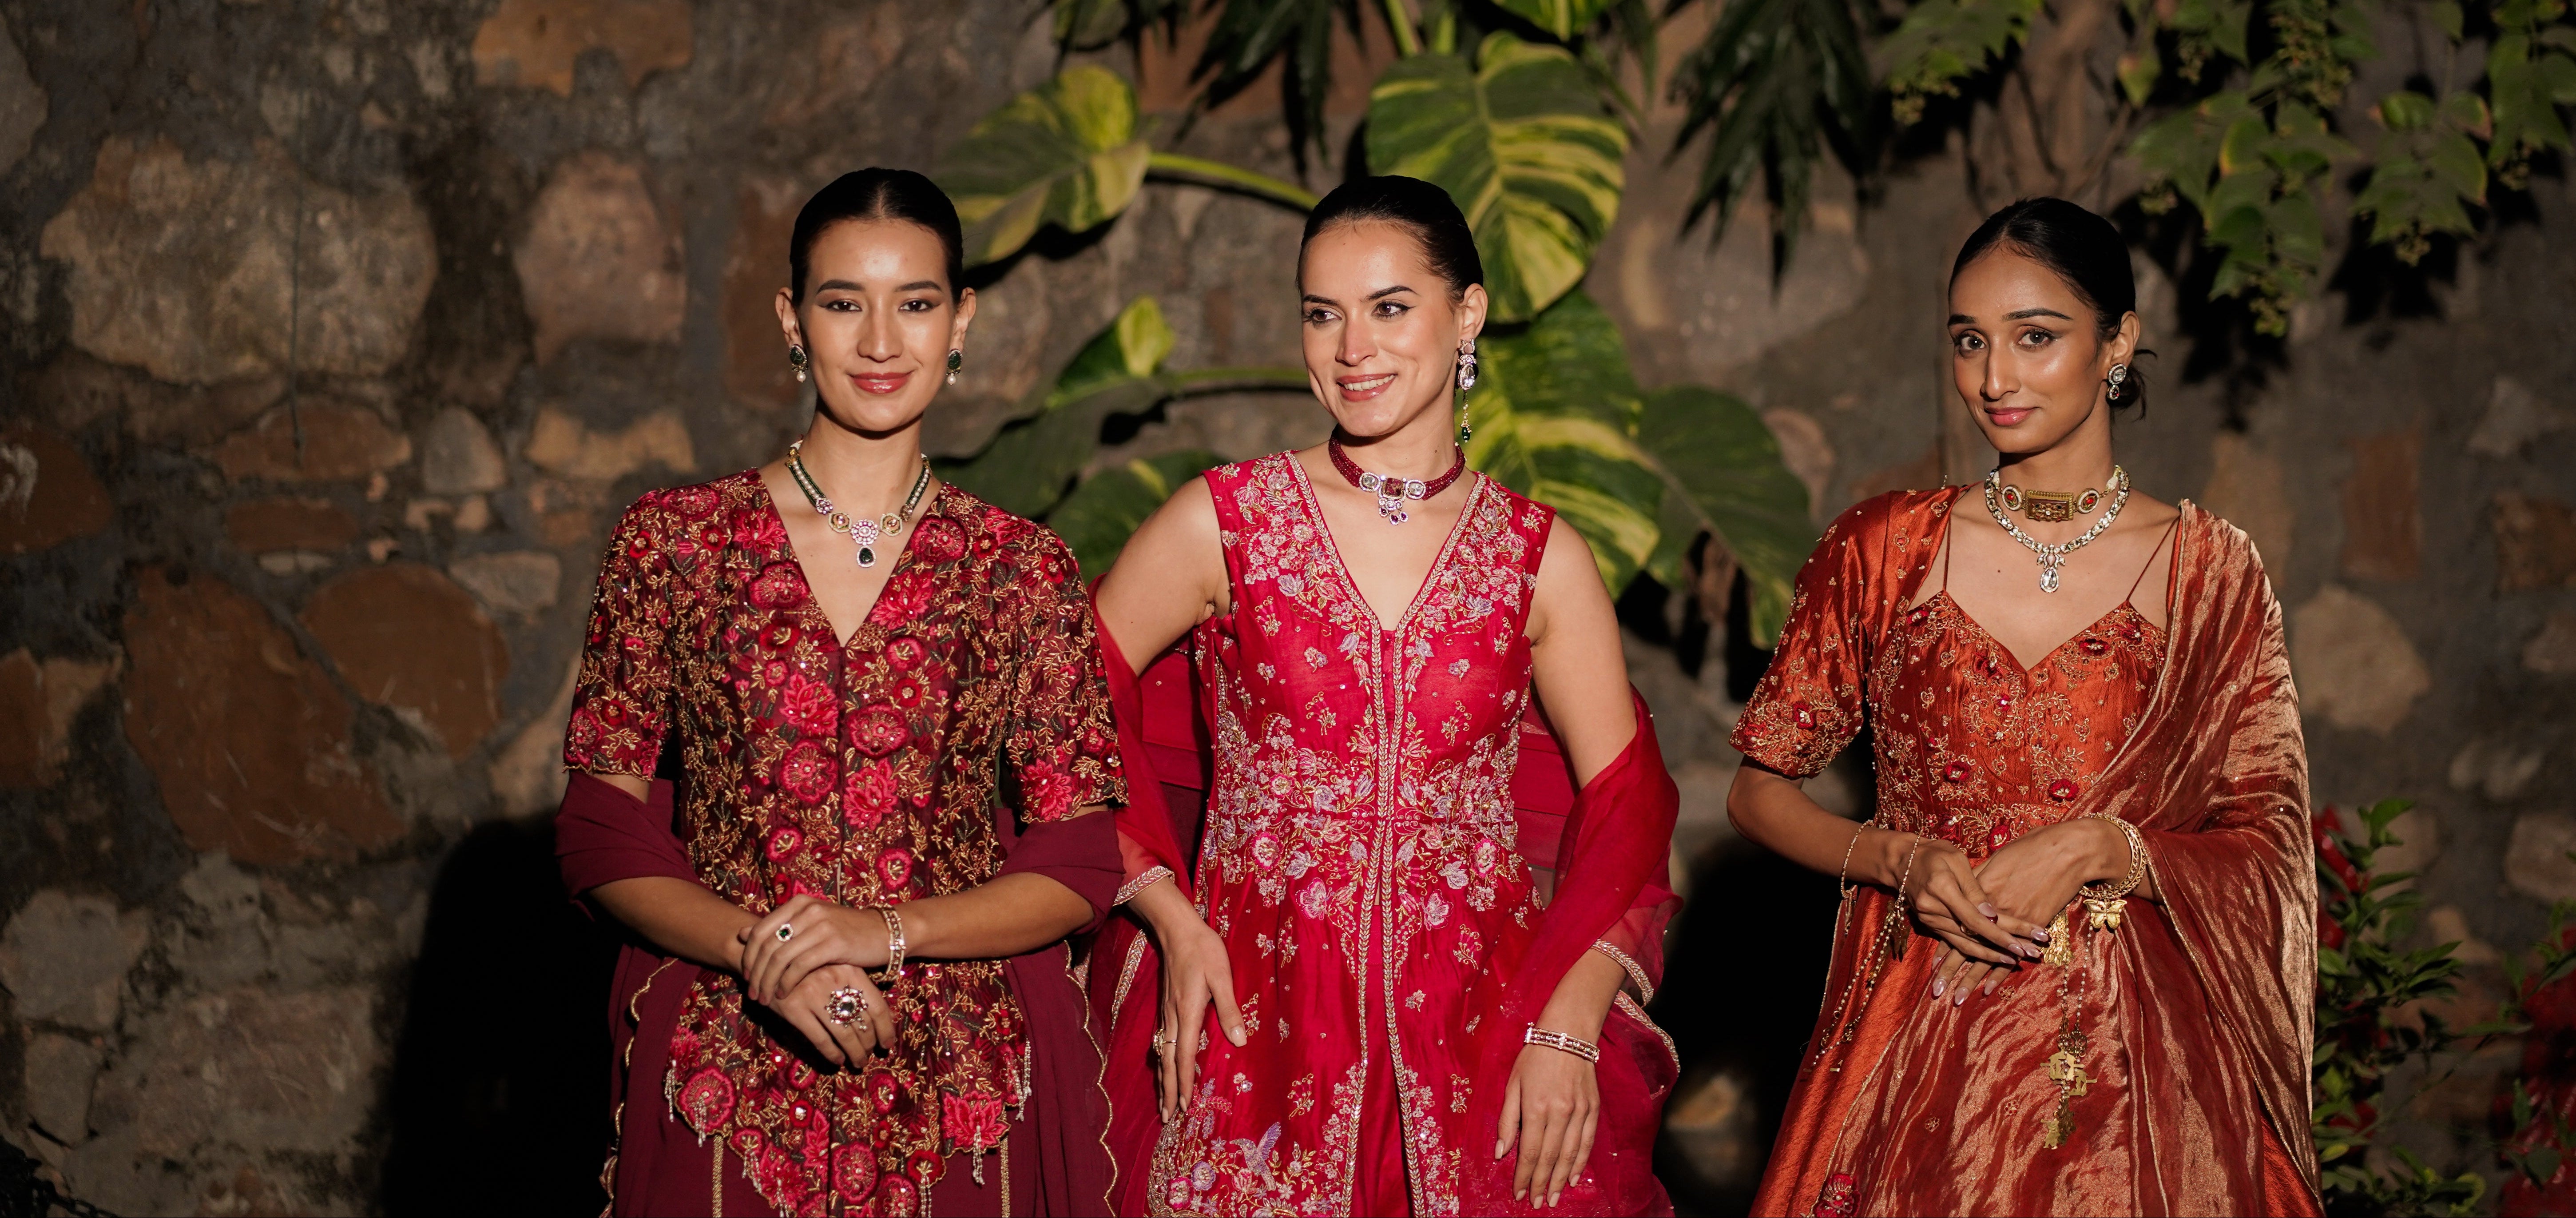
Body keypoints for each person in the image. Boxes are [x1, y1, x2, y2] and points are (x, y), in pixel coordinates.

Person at [1084, 175, 1682, 1216]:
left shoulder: (1539, 558)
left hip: (1482, 1035)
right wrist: (1170, 921)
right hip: (1250, 1021)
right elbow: (1068, 697)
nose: (1352, 347)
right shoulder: (1224, 520)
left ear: (1470, 314)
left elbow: (1631, 808)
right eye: (1324, 314)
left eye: (1390, 308)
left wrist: (1566, 1025)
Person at [1725, 196, 2320, 1217]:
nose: (1994, 380)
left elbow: (2268, 840)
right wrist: (1899, 858)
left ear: (2118, 343)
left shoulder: (2209, 573)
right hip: (1917, 1036)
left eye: (2035, 338)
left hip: (2139, 1075)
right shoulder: (1883, 549)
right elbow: (1757, 788)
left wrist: (2105, 847)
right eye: (1970, 343)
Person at [552, 168, 1129, 1217]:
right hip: (724, 1065)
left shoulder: (1021, 568)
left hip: (965, 1077)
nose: (879, 340)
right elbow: (601, 828)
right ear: (791, 319)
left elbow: (1080, 862)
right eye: (841, 301)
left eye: (915, 303)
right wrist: (764, 953)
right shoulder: (676, 543)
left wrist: (884, 934)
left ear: (961, 322)